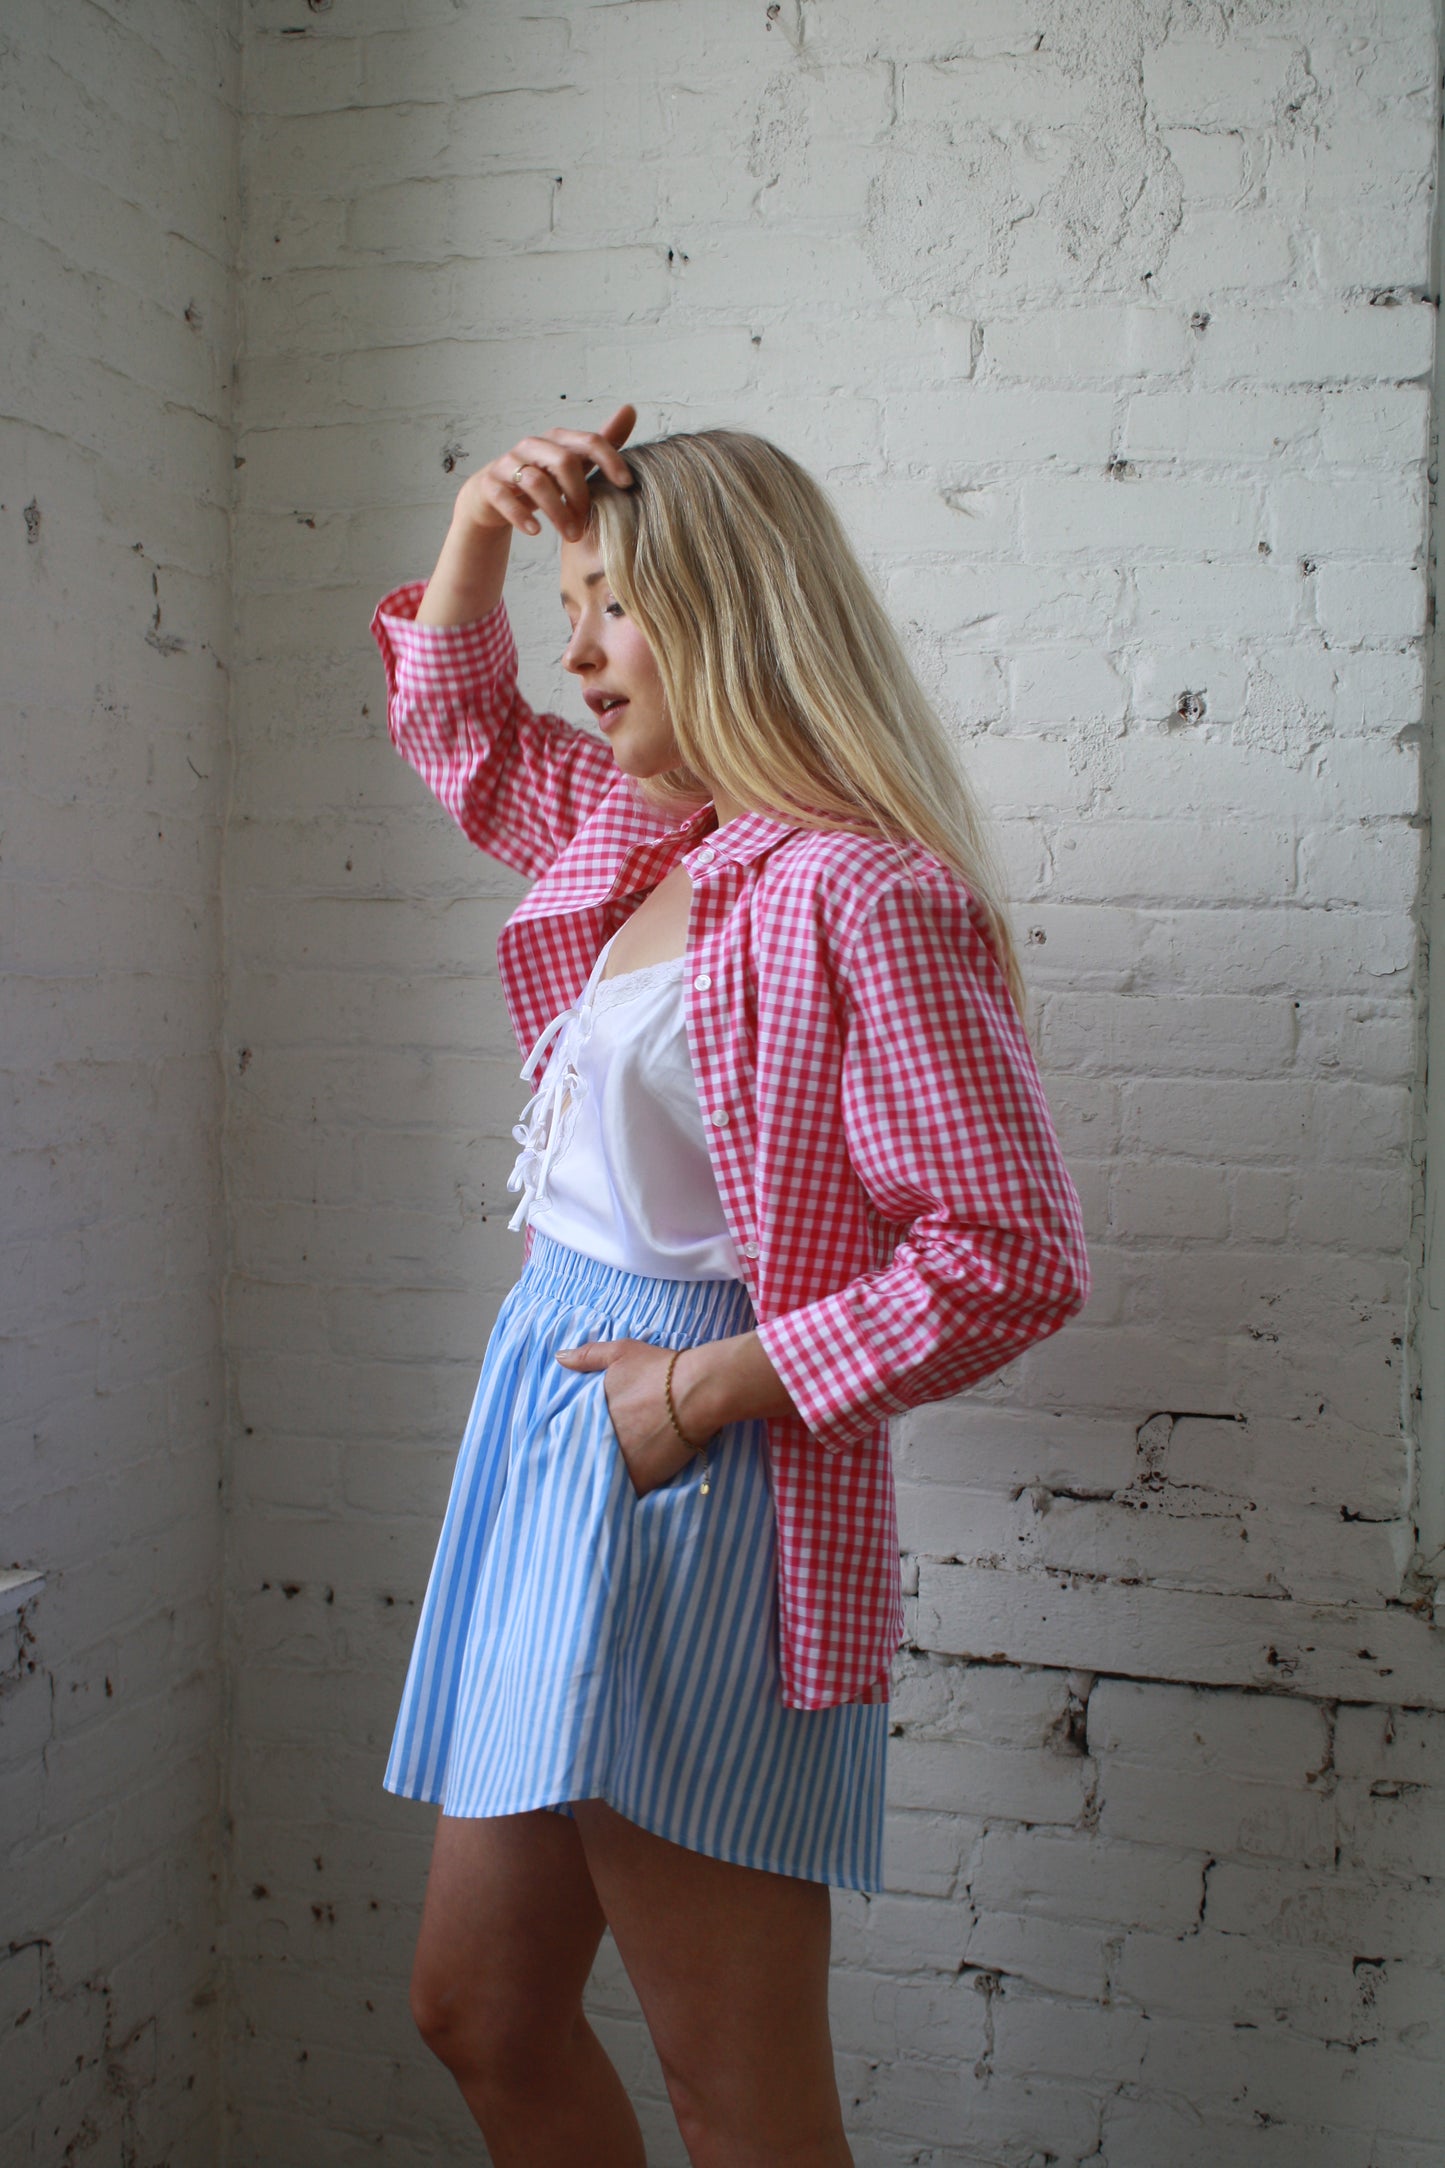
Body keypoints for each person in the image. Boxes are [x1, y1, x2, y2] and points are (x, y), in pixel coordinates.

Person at [368, 402, 1089, 2168]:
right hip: (556, 1431)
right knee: (478, 2012)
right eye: (566, 599)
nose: (574, 643)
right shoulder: (646, 833)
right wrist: (475, 526)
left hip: (693, 1474)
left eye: (612, 601)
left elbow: (1008, 1258)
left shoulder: (861, 892)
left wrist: (693, 1393)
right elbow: (462, 737)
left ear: (733, 612)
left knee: (735, 2092)